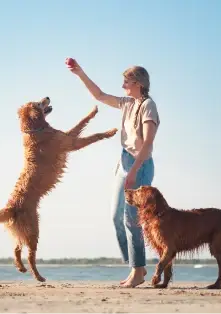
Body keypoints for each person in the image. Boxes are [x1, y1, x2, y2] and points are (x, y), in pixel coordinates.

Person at [66, 58, 160, 288]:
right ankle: (135, 266)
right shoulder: (127, 103)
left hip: (140, 164)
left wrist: (134, 172)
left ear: (137, 83)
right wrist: (80, 73)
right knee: (116, 216)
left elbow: (147, 143)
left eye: (126, 82)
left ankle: (138, 270)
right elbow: (99, 95)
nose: (122, 86)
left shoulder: (149, 106)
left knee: (131, 218)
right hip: (124, 161)